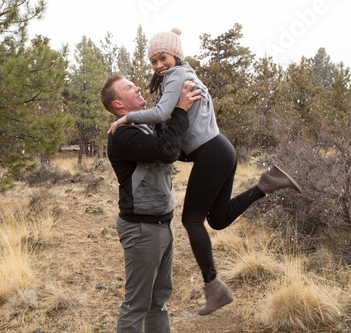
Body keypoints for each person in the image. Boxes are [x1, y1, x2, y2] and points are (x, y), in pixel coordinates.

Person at [108, 28, 301, 316]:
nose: (159, 66)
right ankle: (265, 184)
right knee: (218, 219)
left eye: (163, 58)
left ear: (175, 55)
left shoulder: (176, 76)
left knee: (192, 220)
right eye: (154, 61)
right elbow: (168, 137)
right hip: (221, 150)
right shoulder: (183, 72)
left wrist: (126, 117)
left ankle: (214, 288)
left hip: (212, 153)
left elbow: (161, 114)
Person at [100, 73, 201, 333]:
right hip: (142, 229)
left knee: (159, 301)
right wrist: (179, 109)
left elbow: (175, 145)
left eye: (134, 84)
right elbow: (167, 151)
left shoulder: (145, 126)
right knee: (137, 304)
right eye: (128, 88)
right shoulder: (122, 134)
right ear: (118, 106)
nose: (136, 87)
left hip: (162, 225)